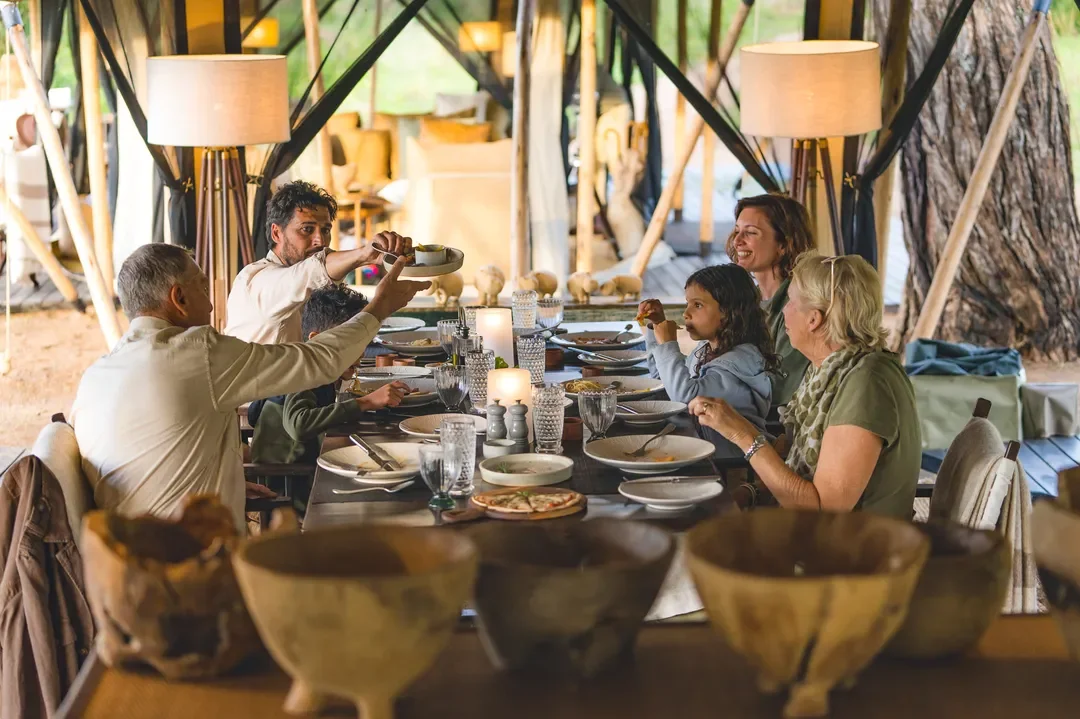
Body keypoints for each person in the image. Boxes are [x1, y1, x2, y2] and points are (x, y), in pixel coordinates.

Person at [71, 244, 429, 529]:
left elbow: (149, 458)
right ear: (179, 298)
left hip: (122, 561)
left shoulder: (94, 377)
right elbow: (319, 361)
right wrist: (380, 306)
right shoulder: (198, 353)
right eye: (201, 287)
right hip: (191, 563)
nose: (212, 303)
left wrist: (228, 480)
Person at [688, 253, 920, 518]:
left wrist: (742, 434)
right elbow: (789, 467)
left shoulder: (867, 383)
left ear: (814, 319)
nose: (783, 309)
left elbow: (824, 511)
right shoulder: (828, 370)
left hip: (853, 551)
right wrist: (751, 492)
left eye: (790, 301)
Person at [225, 180, 413, 344]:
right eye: (307, 229)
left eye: (325, 230)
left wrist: (379, 262)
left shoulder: (314, 287)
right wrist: (363, 254)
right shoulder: (256, 281)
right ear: (277, 233)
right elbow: (310, 272)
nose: (320, 241)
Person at [248, 286, 410, 465]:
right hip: (288, 481)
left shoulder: (307, 365)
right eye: (349, 343)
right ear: (316, 339)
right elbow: (298, 425)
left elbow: (254, 414)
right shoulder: (305, 370)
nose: (361, 353)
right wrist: (368, 402)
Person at [637, 264, 777, 457]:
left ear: (728, 312)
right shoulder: (705, 350)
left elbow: (685, 397)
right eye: (688, 303)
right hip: (700, 452)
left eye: (698, 305)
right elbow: (662, 380)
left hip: (728, 467)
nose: (686, 313)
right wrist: (656, 327)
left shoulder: (739, 363)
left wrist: (668, 345)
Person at [726, 194, 816, 409]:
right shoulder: (748, 300)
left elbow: (779, 390)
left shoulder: (798, 306)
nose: (737, 241)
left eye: (751, 233)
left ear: (783, 244)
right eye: (737, 231)